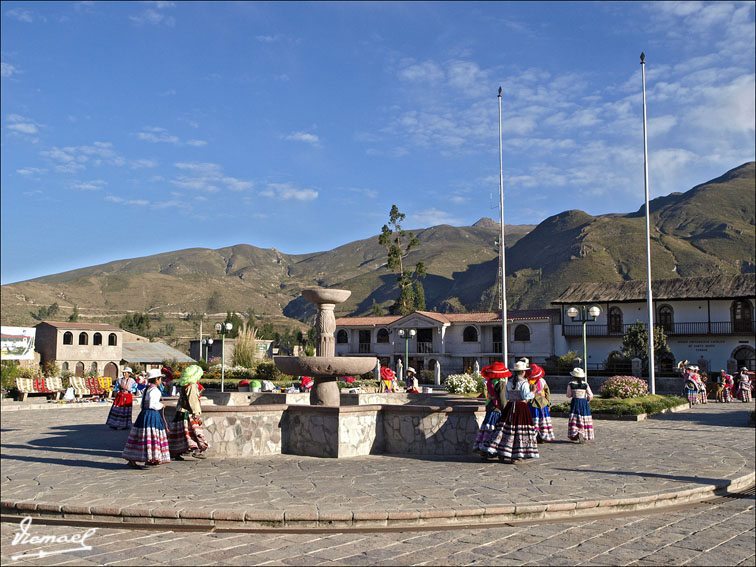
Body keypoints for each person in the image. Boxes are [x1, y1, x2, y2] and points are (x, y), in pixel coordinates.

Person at [481, 360, 539, 463]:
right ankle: (517, 454)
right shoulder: (524, 383)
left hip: (510, 406)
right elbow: (525, 396)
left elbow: (507, 396)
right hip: (521, 407)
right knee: (519, 430)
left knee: (506, 429)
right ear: (524, 372)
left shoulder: (510, 382)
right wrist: (533, 392)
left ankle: (502, 451)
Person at [122, 369, 171, 469]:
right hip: (151, 415)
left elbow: (143, 404)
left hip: (144, 414)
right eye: (160, 379)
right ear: (156, 380)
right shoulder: (155, 390)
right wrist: (162, 405)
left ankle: (140, 458)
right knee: (151, 437)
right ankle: (151, 458)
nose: (160, 381)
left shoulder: (147, 389)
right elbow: (153, 404)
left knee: (140, 437)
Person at [167, 364, 209, 460]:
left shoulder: (184, 385)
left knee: (179, 433)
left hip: (180, 411)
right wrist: (196, 412)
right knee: (195, 432)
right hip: (188, 413)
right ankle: (197, 450)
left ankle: (176, 452)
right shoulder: (192, 386)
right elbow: (193, 400)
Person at [473, 362, 511, 459]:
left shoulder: (490, 382)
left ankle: (483, 448)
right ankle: (493, 449)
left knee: (487, 428)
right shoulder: (501, 383)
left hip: (490, 406)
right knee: (496, 430)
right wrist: (506, 409)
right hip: (497, 409)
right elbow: (502, 399)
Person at [527, 364, 555, 442]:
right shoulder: (542, 381)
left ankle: (536, 435)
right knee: (542, 420)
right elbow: (547, 391)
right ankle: (541, 435)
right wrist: (548, 402)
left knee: (534, 419)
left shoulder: (528, 381)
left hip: (532, 403)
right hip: (542, 403)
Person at [566, 367, 594, 443]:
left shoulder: (571, 384)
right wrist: (587, 401)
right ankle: (584, 432)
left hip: (575, 401)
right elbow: (590, 395)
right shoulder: (585, 384)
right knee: (584, 417)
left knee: (575, 417)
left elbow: (568, 395)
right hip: (583, 402)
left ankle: (575, 432)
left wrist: (574, 393)